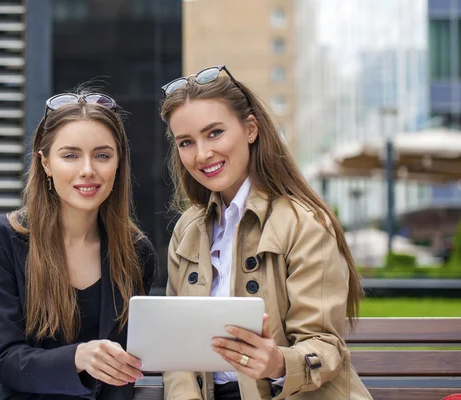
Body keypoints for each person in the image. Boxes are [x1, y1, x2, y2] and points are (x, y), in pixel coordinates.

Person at [159, 65, 372, 399]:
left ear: (250, 130)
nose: (202, 154)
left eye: (215, 133)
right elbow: (177, 354)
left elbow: (326, 347)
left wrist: (278, 363)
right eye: (186, 142)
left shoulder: (306, 223)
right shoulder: (188, 230)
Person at [0, 89, 157, 400]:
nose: (87, 170)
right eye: (70, 155)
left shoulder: (137, 254)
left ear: (119, 164)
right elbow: (7, 361)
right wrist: (78, 357)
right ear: (45, 164)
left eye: (102, 155)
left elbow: (122, 373)